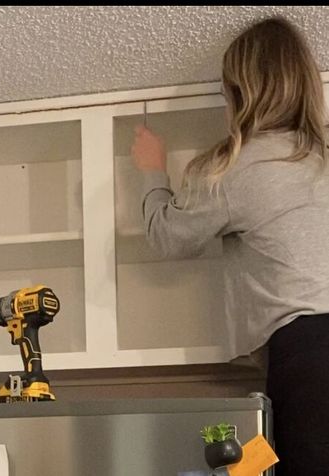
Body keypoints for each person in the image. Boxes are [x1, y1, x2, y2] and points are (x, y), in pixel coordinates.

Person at [132, 17, 329, 476]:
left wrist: (151, 171)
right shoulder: (320, 158)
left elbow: (167, 236)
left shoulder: (233, 167)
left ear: (240, 94)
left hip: (309, 352)